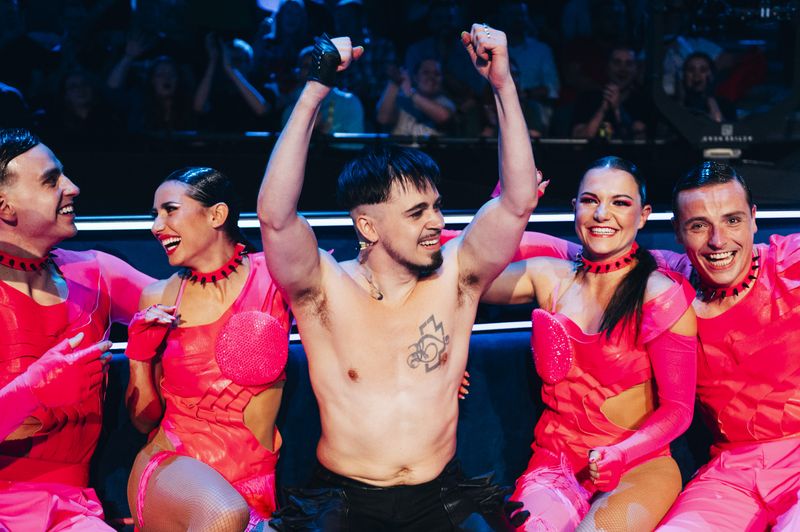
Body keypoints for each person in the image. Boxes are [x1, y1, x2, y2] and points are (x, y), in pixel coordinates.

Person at [260, 26, 543, 529]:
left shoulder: (457, 276)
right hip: (346, 501)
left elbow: (517, 201)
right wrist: (316, 88)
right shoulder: (323, 287)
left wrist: (502, 85)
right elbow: (276, 217)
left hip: (442, 495)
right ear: (368, 226)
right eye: (417, 213)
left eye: (436, 207)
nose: (437, 222)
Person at [481, 157, 697, 530]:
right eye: (590, 200)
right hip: (556, 465)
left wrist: (620, 453)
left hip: (639, 466)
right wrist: (503, 209)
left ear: (643, 216)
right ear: (574, 207)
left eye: (620, 202)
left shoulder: (659, 294)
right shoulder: (548, 276)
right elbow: (467, 273)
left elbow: (678, 409)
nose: (601, 214)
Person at [0, 128, 152, 530]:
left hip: (71, 508)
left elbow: (199, 305)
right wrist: (33, 389)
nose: (73, 187)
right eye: (51, 180)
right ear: (4, 206)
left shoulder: (96, 273)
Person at [125, 167, 291, 531]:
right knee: (224, 515)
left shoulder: (275, 277)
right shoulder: (159, 296)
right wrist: (138, 355)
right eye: (155, 215)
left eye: (170, 210)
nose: (156, 226)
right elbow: (143, 421)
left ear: (217, 214)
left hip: (254, 483)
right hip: (172, 468)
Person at [656, 162, 800, 530]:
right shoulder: (668, 283)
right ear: (677, 231)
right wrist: (518, 206)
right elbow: (567, 256)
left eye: (732, 220)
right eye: (698, 226)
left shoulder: (791, 263)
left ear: (754, 219)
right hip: (732, 473)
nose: (718, 241)